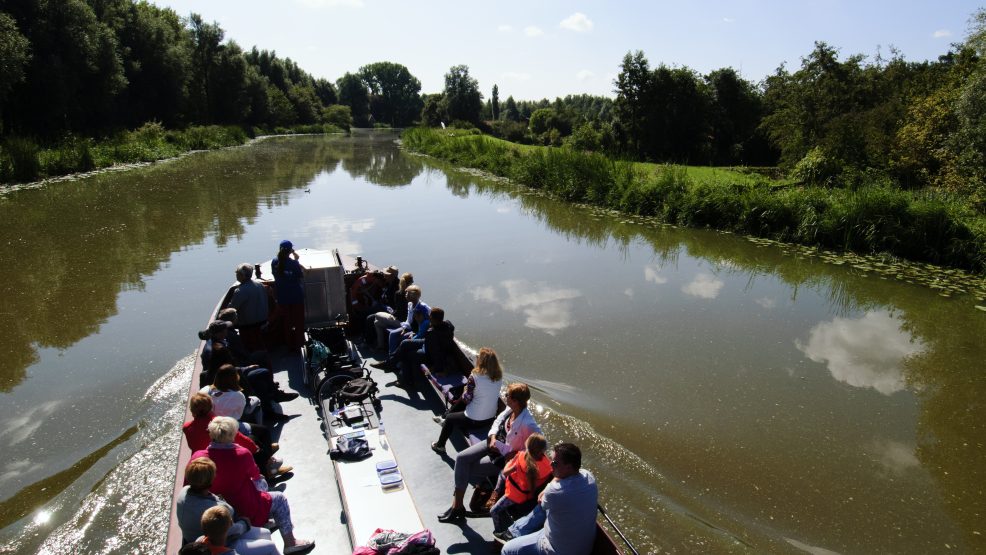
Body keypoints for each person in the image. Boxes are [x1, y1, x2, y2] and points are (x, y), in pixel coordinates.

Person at [191, 417, 314, 555]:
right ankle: (290, 543)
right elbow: (258, 481)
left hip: (218, 514)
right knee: (279, 499)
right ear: (232, 435)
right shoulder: (242, 454)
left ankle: (265, 523)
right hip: (244, 508)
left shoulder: (198, 456)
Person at [437, 383, 542, 523]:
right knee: (461, 458)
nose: (505, 397)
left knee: (466, 468)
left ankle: (456, 508)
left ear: (515, 400)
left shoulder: (528, 423)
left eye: (507, 396)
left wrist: (516, 454)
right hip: (493, 443)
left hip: (502, 456)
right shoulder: (511, 410)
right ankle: (457, 506)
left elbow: (539, 446)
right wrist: (492, 437)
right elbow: (498, 421)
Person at [499, 443, 598, 555]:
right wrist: (550, 485)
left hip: (554, 549)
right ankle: (516, 530)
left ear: (569, 467)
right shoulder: (589, 476)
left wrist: (546, 489)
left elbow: (541, 502)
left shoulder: (554, 491)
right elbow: (556, 481)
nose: (551, 464)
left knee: (507, 550)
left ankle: (515, 531)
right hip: (584, 548)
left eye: (555, 463)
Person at [176, 457, 279, 555]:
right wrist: (244, 524)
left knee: (266, 533)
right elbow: (228, 529)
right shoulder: (213, 509)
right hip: (222, 541)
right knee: (270, 546)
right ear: (210, 479)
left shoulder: (183, 492)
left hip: (199, 540)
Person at [182, 393, 287, 481]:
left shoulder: (187, 427)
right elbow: (241, 439)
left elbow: (193, 446)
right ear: (210, 406)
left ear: (192, 410)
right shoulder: (219, 423)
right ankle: (268, 473)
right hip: (222, 459)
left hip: (205, 460)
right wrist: (256, 449)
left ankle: (267, 456)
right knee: (254, 441)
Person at [430, 346, 502, 454]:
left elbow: (466, 399)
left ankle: (440, 445)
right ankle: (444, 417)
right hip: (490, 419)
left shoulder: (475, 376)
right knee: (468, 399)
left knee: (451, 418)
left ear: (481, 362)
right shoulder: (499, 377)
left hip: (474, 421)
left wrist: (465, 390)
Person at [489, 433, 552, 533]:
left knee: (493, 511)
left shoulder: (521, 456)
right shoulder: (547, 465)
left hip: (513, 494)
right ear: (542, 451)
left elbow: (506, 472)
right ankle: (496, 494)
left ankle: (498, 532)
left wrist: (514, 467)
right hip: (525, 494)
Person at [395, 306, 455, 388]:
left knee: (408, 354)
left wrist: (435, 368)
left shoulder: (431, 333)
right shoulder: (448, 325)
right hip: (432, 346)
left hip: (431, 355)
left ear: (433, 319)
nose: (429, 318)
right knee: (405, 343)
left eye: (430, 316)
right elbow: (451, 328)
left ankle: (407, 381)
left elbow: (430, 351)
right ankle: (392, 361)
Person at [271, 240, 305, 351]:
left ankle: (290, 345)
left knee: (287, 323)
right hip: (296, 297)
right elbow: (300, 276)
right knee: (298, 322)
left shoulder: (274, 262)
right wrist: (296, 259)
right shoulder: (294, 263)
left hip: (282, 297)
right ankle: (299, 345)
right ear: (290, 250)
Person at [228, 263, 269, 352]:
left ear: (242, 276)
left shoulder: (240, 291)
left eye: (237, 273)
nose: (236, 275)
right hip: (263, 321)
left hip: (248, 326)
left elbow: (231, 309)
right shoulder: (260, 285)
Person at [365, 271, 412, 349]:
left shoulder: (398, 293)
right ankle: (380, 346)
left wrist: (392, 313)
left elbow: (399, 311)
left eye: (386, 275)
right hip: (402, 319)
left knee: (376, 315)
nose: (385, 277)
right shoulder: (411, 293)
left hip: (400, 321)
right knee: (377, 323)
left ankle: (374, 344)